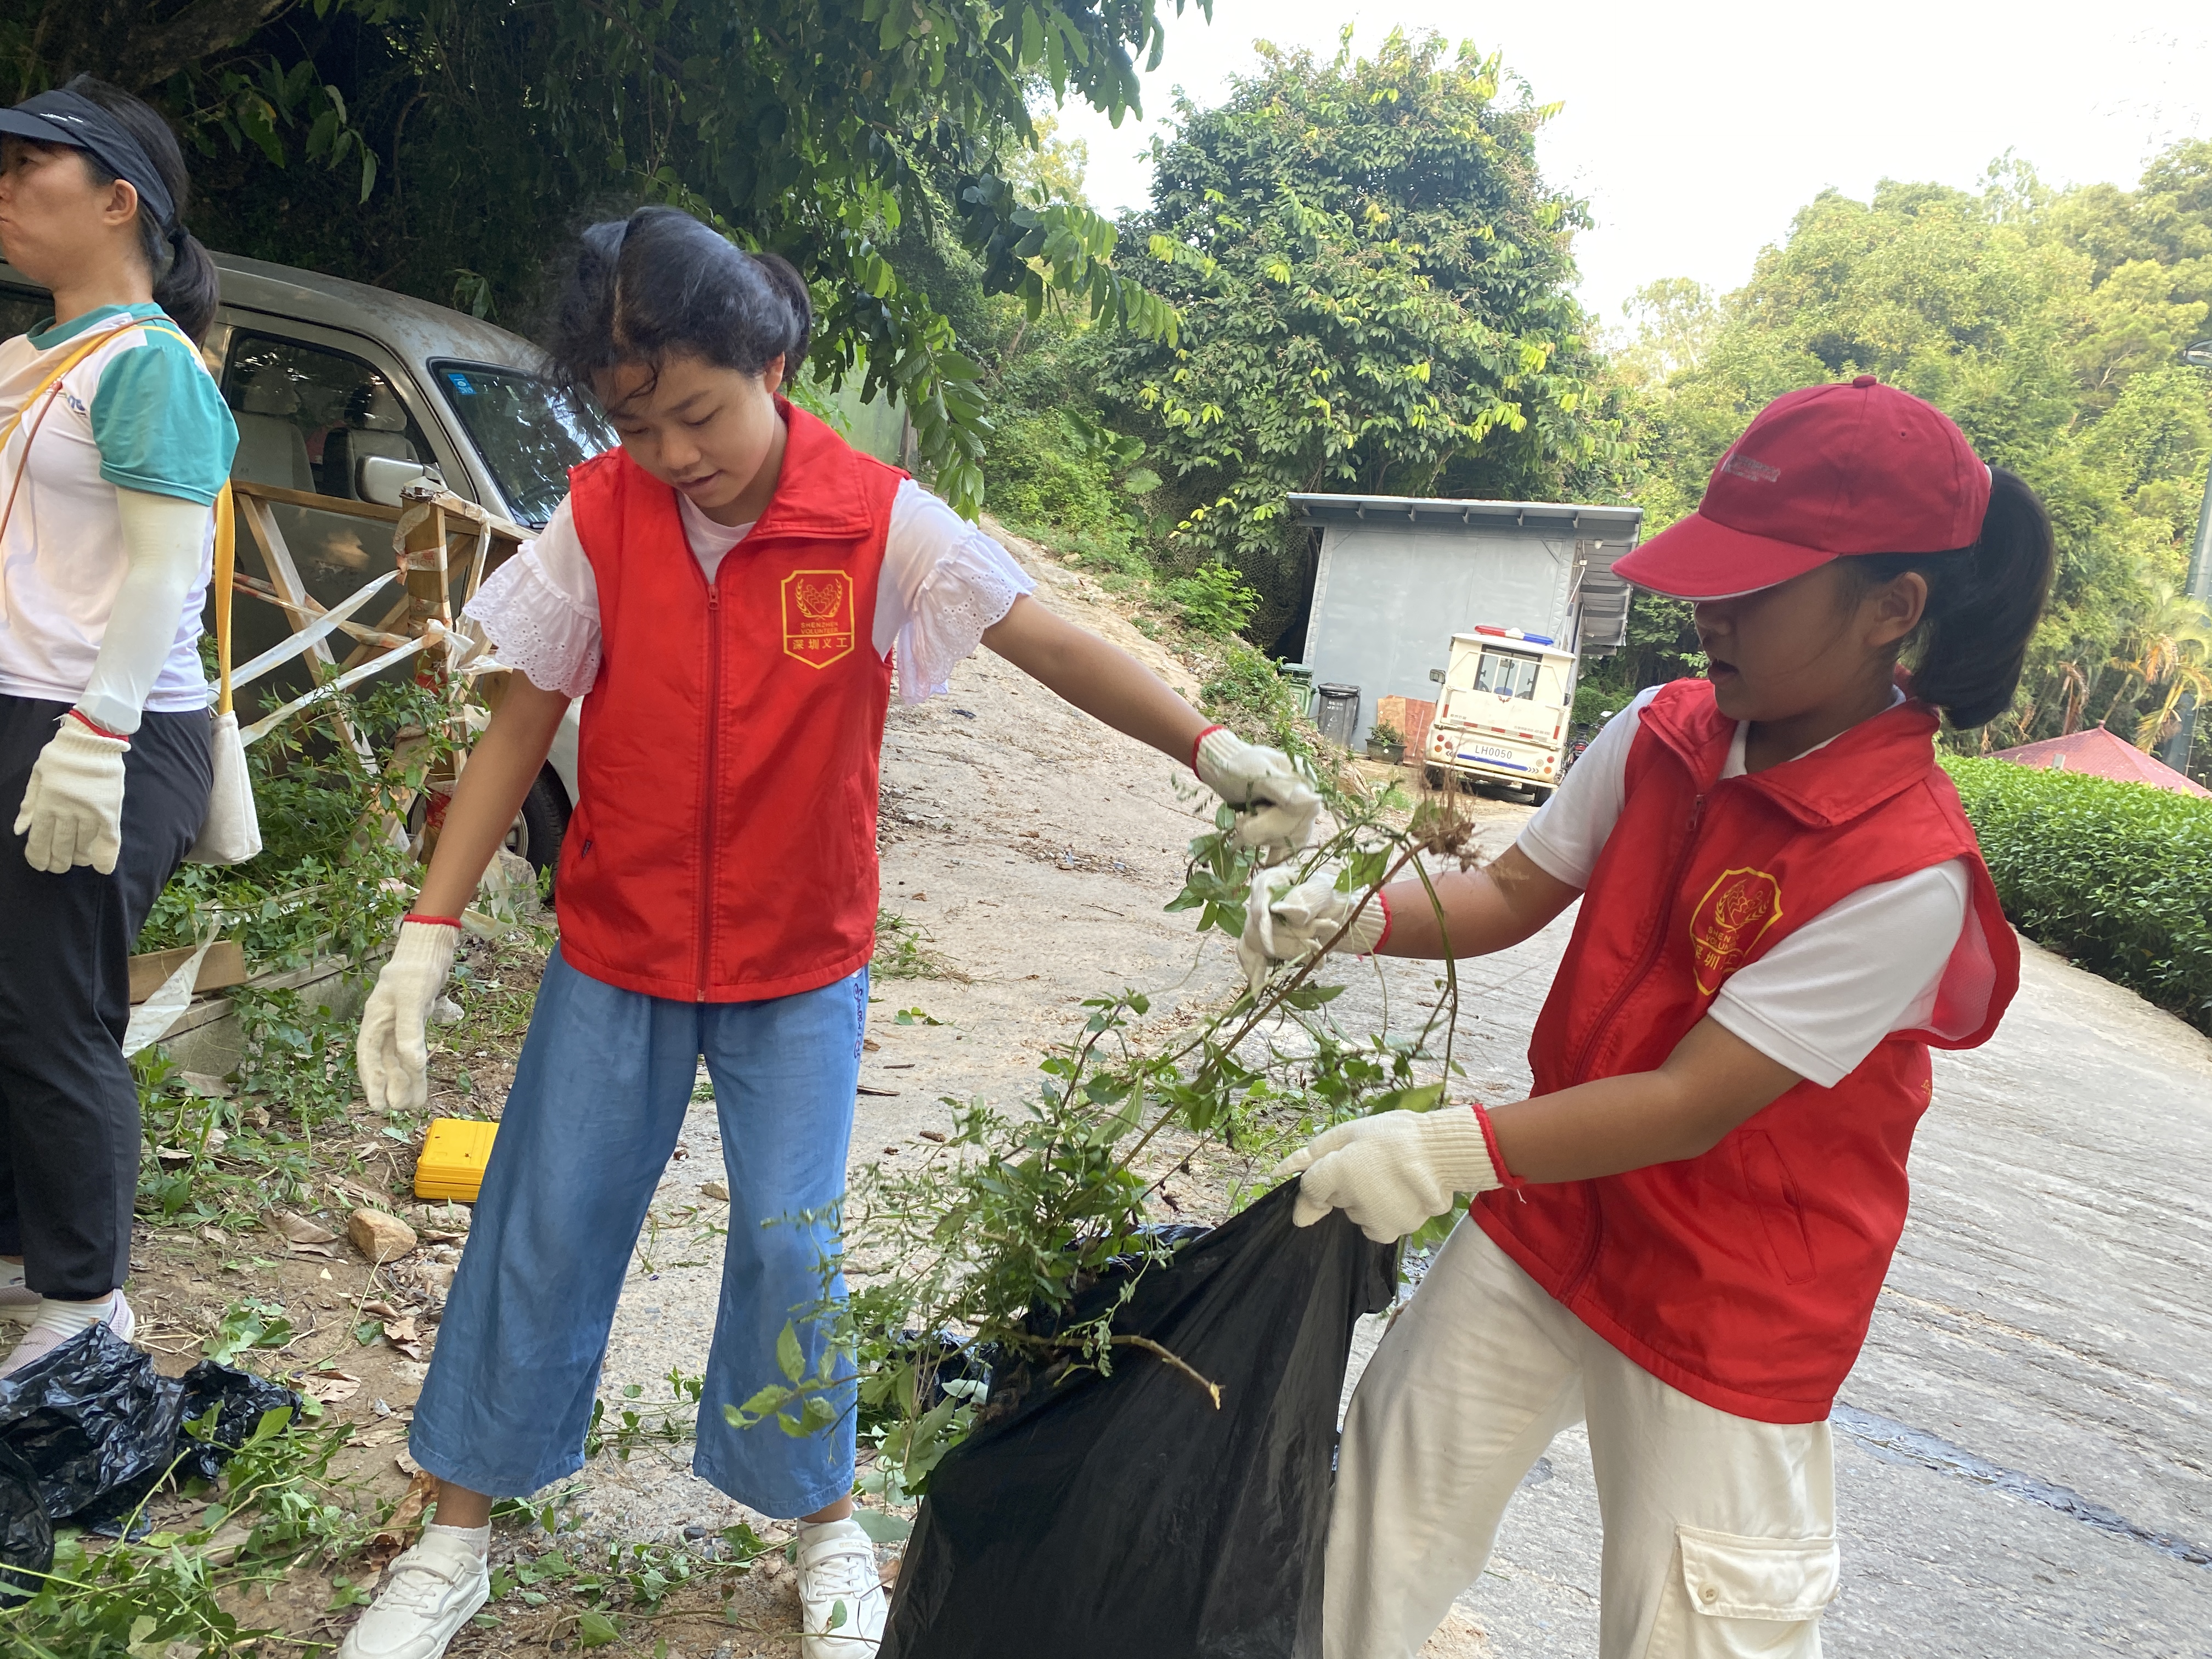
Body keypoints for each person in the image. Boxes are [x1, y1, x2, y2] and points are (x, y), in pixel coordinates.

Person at [336, 205, 1317, 1659]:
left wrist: (1212, 749)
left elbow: (1047, 639)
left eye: (699, 414)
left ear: (773, 363)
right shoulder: (603, 518)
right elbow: (521, 721)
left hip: (799, 961)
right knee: (542, 1222)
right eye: (636, 424)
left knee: (792, 1251)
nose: (674, 455)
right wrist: (428, 928)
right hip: (618, 949)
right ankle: (457, 1537)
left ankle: (824, 1525)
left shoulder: (877, 519)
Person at [1251, 379, 2052, 1658]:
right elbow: (1510, 894)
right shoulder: (1667, 732)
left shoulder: (1904, 870)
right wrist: (1346, 917)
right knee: (1368, 1535)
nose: (1709, 614)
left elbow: (1690, 1103)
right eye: (1710, 576)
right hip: (1554, 1218)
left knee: (1694, 1624)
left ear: (1891, 610)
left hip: (1729, 1297)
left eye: (1756, 587)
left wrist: (1443, 1150)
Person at [0, 78, 235, 1375]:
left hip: (107, 730)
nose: (2, 193)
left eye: (26, 169)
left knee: (56, 1010)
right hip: (20, 706)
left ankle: (85, 1304)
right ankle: (18, 1257)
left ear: (115, 201)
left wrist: (96, 733)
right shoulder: (35, 355)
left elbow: (164, 568)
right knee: (11, 1000)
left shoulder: (149, 366)